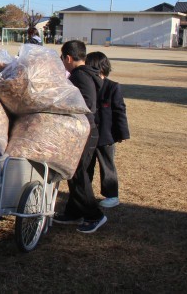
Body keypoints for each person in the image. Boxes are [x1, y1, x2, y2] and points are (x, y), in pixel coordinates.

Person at [54, 40, 106, 234]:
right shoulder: (86, 73)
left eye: (62, 59)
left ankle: (94, 216)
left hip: (84, 131)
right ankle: (73, 212)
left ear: (68, 58)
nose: (62, 63)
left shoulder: (79, 75)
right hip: (84, 130)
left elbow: (87, 104)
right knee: (75, 173)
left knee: (78, 174)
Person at [85, 51, 130, 209]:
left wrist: (122, 133)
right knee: (86, 166)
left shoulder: (113, 87)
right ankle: (86, 193)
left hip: (106, 136)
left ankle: (112, 195)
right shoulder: (87, 86)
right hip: (88, 136)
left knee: (107, 166)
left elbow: (119, 111)